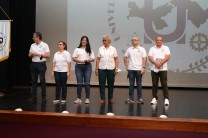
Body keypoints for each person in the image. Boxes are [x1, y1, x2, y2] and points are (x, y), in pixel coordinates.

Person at [95, 34, 119, 104]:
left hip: (111, 68)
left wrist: (116, 68)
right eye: (103, 40)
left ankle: (110, 98)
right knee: (101, 84)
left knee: (110, 84)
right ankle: (102, 98)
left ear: (109, 41)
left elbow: (116, 59)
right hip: (102, 68)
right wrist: (96, 69)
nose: (103, 41)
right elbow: (98, 59)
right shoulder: (100, 49)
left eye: (105, 40)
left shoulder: (113, 49)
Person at [123, 36, 147, 104]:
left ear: (138, 41)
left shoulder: (142, 49)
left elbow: (144, 58)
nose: (134, 41)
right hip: (131, 69)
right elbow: (124, 57)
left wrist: (143, 67)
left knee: (139, 84)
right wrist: (126, 66)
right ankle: (131, 99)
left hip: (139, 69)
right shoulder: (129, 49)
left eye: (135, 40)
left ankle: (140, 99)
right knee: (131, 84)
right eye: (132, 40)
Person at [148, 36, 171, 106]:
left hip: (163, 69)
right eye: (157, 40)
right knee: (154, 84)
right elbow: (150, 57)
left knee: (164, 84)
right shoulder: (152, 48)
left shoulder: (166, 48)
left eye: (160, 40)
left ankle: (166, 99)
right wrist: (156, 63)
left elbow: (167, 56)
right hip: (154, 69)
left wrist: (160, 63)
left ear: (162, 41)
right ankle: (154, 98)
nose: (159, 41)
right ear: (155, 41)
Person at [28, 32, 50, 102]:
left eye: (34, 37)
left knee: (42, 81)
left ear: (38, 37)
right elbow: (29, 55)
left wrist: (39, 54)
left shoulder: (45, 45)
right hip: (33, 64)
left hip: (41, 64)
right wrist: (31, 54)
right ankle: (34, 97)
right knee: (34, 81)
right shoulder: (32, 45)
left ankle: (44, 97)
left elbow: (48, 55)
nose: (33, 38)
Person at [72, 36, 95, 104]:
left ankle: (87, 99)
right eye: (83, 40)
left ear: (87, 42)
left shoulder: (90, 49)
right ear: (81, 41)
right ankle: (78, 98)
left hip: (87, 67)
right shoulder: (77, 49)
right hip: (78, 67)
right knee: (79, 83)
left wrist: (87, 60)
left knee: (87, 83)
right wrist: (80, 61)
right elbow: (73, 58)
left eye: (85, 40)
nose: (84, 41)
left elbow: (93, 59)